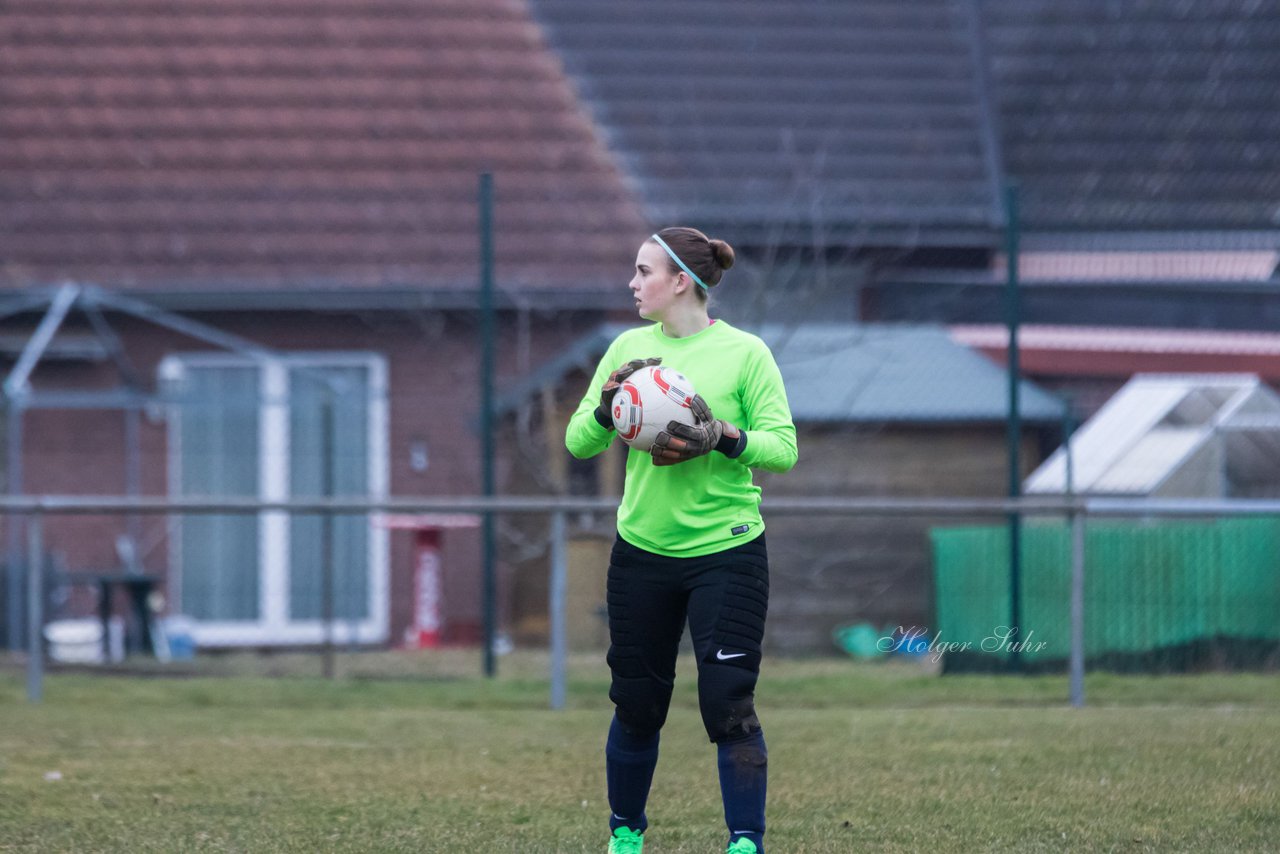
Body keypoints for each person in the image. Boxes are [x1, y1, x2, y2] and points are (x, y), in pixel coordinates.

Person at [565, 227, 798, 854]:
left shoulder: (746, 355)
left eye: (644, 272)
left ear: (681, 282)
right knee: (638, 704)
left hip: (728, 553)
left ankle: (745, 841)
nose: (633, 283)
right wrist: (608, 405)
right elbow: (576, 443)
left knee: (727, 704)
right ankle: (625, 835)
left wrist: (722, 434)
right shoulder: (627, 349)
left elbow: (783, 450)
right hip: (642, 552)